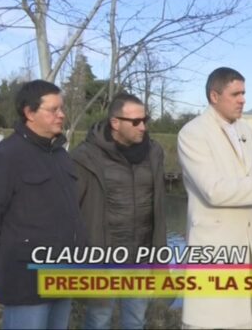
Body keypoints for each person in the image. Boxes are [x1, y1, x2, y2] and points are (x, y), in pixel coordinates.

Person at [177, 67, 252, 329]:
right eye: (235, 93)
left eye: (244, 93)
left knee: (242, 321)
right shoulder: (192, 133)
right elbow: (214, 190)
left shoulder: (245, 130)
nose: (243, 99)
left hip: (247, 249)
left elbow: (243, 181)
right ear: (214, 96)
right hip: (214, 250)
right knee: (208, 321)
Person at [0, 79, 85, 329]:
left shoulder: (61, 156)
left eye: (62, 108)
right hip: (25, 282)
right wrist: (1, 270)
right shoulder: (4, 157)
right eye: (53, 110)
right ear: (29, 113)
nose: (61, 115)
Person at [70, 93, 167, 329]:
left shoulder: (154, 153)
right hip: (104, 258)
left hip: (142, 256)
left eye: (145, 120)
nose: (143, 126)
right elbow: (70, 209)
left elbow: (159, 207)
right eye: (135, 122)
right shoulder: (85, 157)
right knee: (98, 320)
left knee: (135, 320)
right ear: (115, 123)